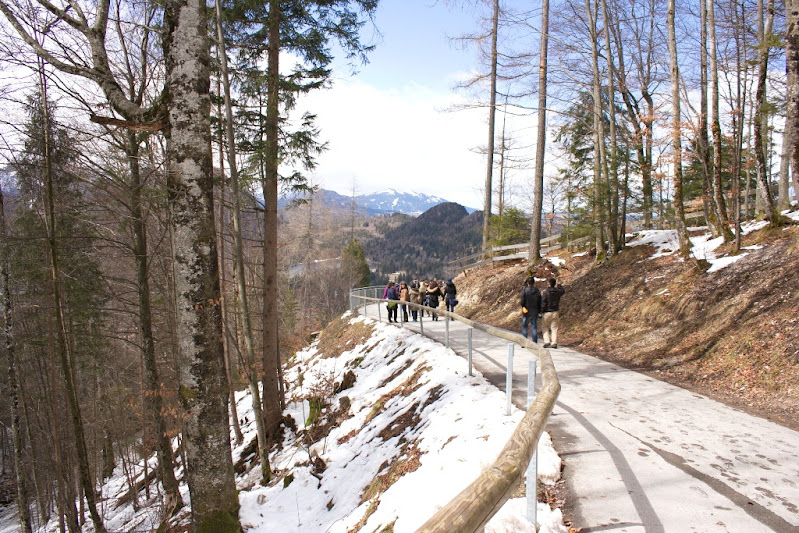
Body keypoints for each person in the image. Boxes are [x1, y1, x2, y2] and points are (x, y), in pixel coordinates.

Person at [541, 277, 565, 348]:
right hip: (555, 311)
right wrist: (559, 285)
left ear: (548, 284)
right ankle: (554, 342)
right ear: (554, 284)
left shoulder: (545, 292)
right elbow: (563, 291)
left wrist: (541, 311)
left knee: (545, 327)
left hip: (547, 312)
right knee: (554, 328)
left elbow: (543, 302)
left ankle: (547, 341)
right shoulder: (558, 291)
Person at [520, 277, 542, 342]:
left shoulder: (524, 290)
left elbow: (522, 301)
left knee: (524, 327)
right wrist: (539, 311)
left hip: (526, 311)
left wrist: (523, 306)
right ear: (534, 283)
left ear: (527, 283)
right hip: (535, 311)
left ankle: (524, 341)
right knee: (534, 327)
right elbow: (540, 302)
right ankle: (534, 342)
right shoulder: (537, 291)